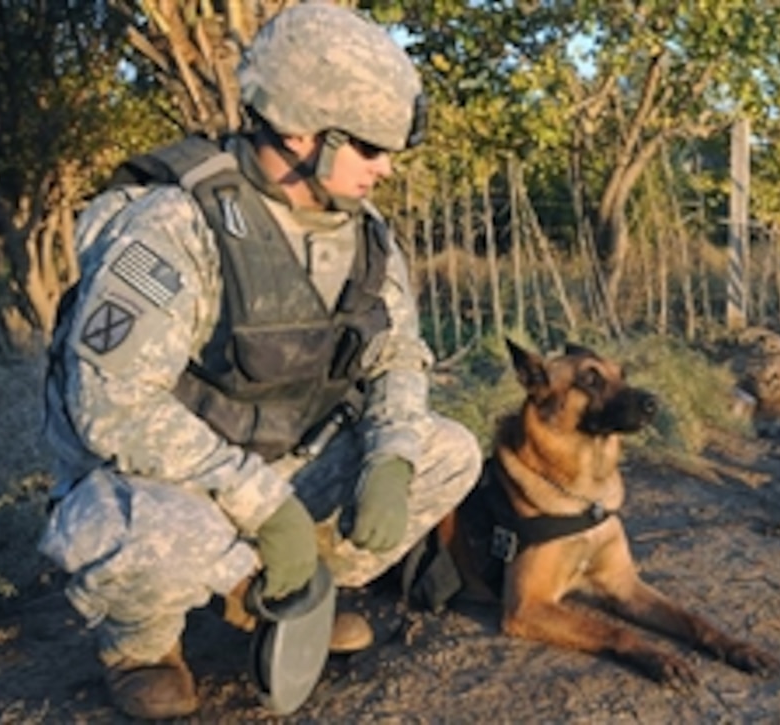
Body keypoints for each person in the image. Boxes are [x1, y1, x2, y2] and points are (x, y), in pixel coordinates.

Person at [37, 2, 481, 719]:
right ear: (302, 132)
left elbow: (396, 352)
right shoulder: (176, 224)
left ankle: (285, 596)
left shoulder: (365, 236)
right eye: (369, 147)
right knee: (129, 529)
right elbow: (111, 404)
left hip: (282, 458)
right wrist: (264, 505)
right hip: (174, 482)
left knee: (447, 451)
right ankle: (143, 645)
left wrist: (391, 458)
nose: (387, 168)